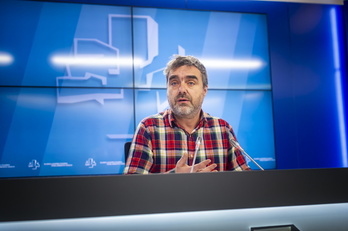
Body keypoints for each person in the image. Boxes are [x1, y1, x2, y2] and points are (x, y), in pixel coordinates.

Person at [123, 55, 250, 174]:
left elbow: (244, 183)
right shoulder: (149, 128)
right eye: (174, 83)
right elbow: (132, 189)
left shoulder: (223, 129)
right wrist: (174, 178)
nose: (182, 90)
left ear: (204, 90)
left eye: (190, 83)